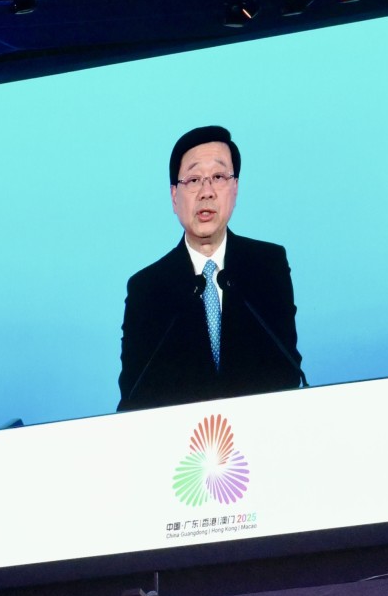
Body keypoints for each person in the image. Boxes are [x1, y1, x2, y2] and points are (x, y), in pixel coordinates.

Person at [117, 125, 303, 412]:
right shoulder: (147, 289)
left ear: (235, 188)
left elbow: (286, 374)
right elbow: (135, 394)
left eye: (218, 177)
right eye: (193, 180)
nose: (206, 192)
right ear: (174, 196)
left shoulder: (268, 266)